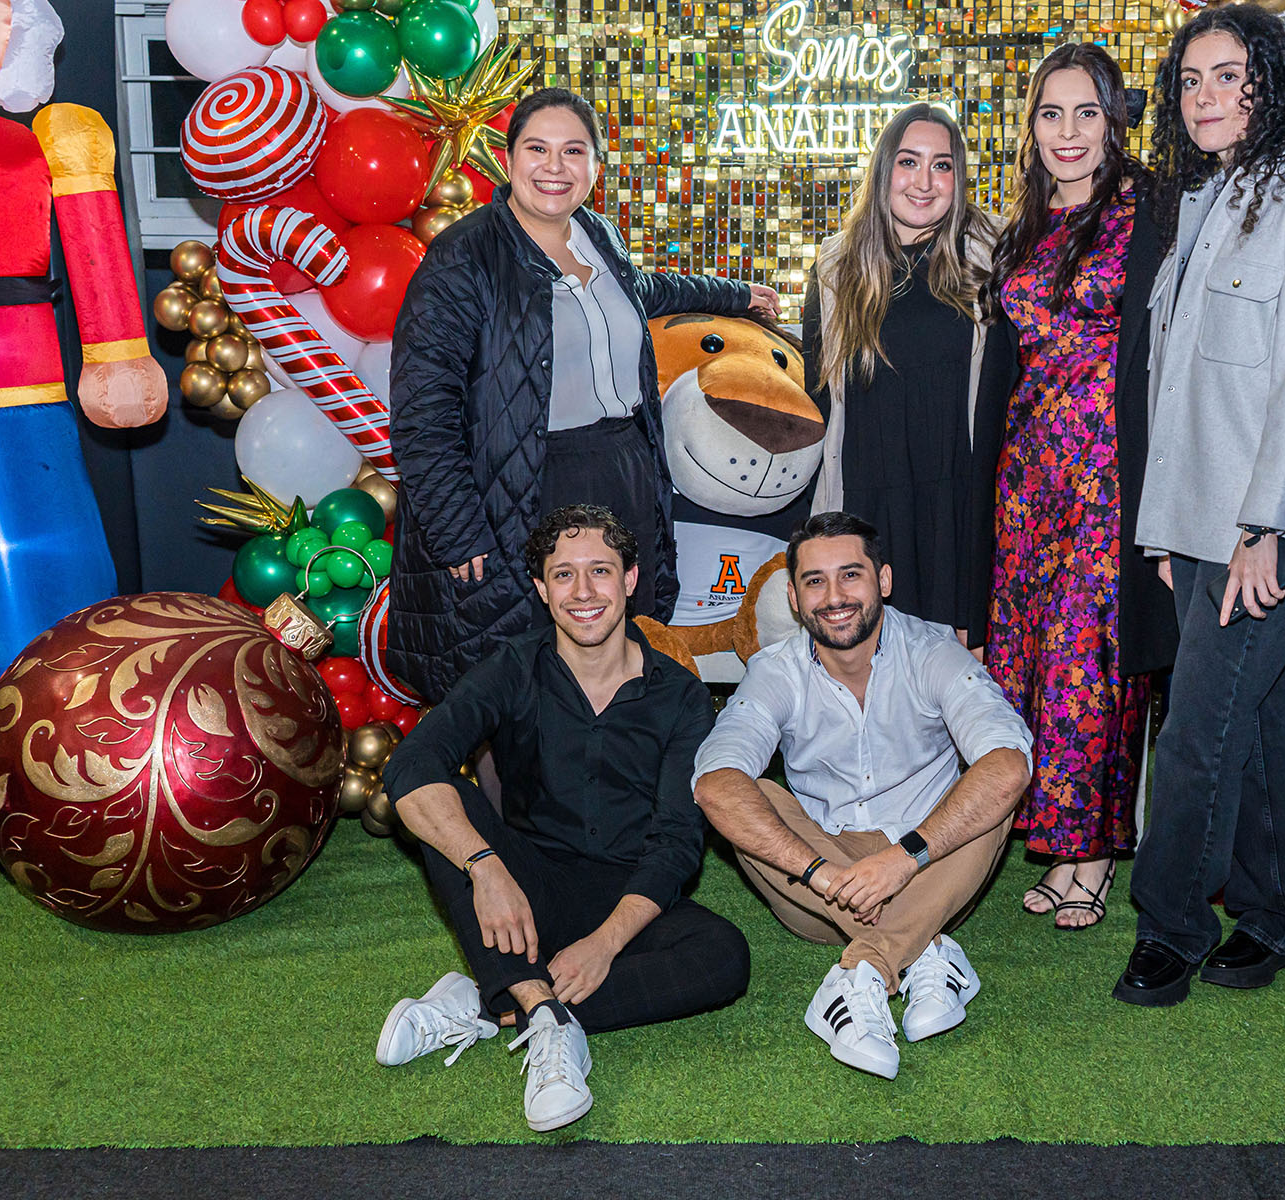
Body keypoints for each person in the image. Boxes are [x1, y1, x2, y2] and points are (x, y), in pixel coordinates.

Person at [1116, 5, 1285, 1007]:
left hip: (1264, 533)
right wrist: (1169, 533)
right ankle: (1277, 921)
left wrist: (1263, 527)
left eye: (1229, 76)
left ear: (1273, 83)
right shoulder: (1214, 201)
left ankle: (1172, 929)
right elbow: (1182, 390)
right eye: (1190, 80)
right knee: (1257, 723)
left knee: (1194, 734)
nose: (1205, 96)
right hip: (1200, 529)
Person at [387, 87, 782, 702]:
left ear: (596, 166)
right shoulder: (462, 258)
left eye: (573, 151)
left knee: (620, 661)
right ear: (509, 158)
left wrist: (733, 296)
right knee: (523, 681)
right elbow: (422, 412)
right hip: (524, 490)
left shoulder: (594, 233)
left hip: (622, 476)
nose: (554, 166)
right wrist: (457, 531)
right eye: (536, 148)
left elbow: (641, 291)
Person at [377, 504, 750, 1131]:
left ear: (629, 580)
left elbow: (677, 842)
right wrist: (486, 868)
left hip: (626, 893)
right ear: (541, 589)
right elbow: (413, 764)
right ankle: (545, 1017)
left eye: (600, 571)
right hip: (528, 883)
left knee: (724, 957)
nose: (583, 592)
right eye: (564, 575)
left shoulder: (681, 693)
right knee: (448, 800)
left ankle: (493, 998)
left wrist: (606, 944)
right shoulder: (512, 667)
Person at [693, 512, 1032, 1081]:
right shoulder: (775, 670)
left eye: (850, 575)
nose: (834, 597)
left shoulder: (933, 649)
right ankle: (923, 949)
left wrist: (903, 860)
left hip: (930, 869)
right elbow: (715, 779)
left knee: (993, 782)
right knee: (745, 796)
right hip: (824, 893)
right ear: (796, 600)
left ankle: (866, 972)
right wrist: (822, 873)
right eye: (815, 581)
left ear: (884, 581)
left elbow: (1006, 764)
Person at [981, 43, 1175, 928]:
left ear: (1114, 123)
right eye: (1051, 114)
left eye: (1086, 113)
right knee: (1025, 662)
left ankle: (1091, 852)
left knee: (1090, 664)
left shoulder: (1153, 213)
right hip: (1026, 479)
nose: (1068, 132)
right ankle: (1050, 842)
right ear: (1030, 127)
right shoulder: (1020, 230)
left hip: (1109, 478)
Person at [802, 103, 1018, 651]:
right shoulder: (834, 268)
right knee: (867, 672)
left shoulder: (996, 255)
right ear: (883, 171)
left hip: (958, 503)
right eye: (908, 162)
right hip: (868, 502)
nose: (924, 182)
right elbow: (819, 403)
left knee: (960, 681)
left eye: (942, 166)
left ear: (959, 177)